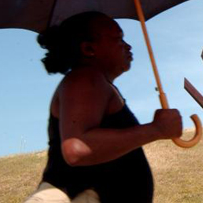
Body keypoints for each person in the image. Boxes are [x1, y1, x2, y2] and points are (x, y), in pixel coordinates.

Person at [24, 11, 182, 203]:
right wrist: (155, 130)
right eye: (118, 39)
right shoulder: (85, 78)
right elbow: (77, 148)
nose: (128, 46)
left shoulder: (97, 83)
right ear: (89, 49)